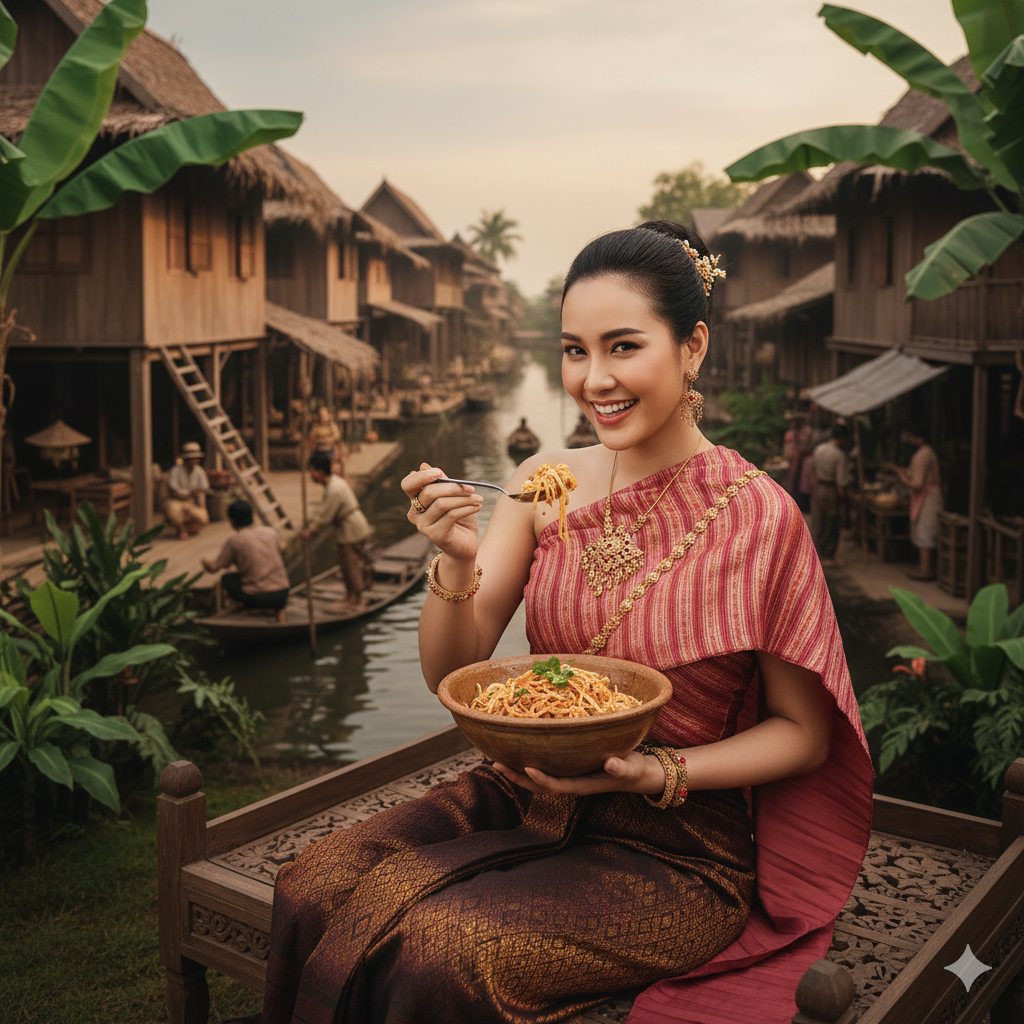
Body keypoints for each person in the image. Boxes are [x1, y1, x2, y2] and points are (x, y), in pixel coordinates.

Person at [260, 222, 871, 1024]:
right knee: (313, 884)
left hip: (676, 846)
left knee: (441, 948)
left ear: (692, 346)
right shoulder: (541, 484)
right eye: (574, 351)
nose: (594, 379)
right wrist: (455, 560)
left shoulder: (759, 515)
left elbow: (806, 735)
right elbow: (452, 673)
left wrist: (658, 773)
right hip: (523, 790)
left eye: (623, 347)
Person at [301, 450, 372, 611]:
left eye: (311, 471)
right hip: (349, 529)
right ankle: (350, 596)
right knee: (346, 565)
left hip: (351, 530)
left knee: (351, 565)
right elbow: (323, 510)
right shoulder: (332, 484)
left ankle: (357, 599)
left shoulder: (334, 488)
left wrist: (311, 530)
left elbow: (325, 515)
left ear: (319, 471)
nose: (310, 475)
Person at [201, 500, 290, 623]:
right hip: (283, 593)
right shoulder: (270, 532)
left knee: (228, 578)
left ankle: (245, 607)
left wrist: (205, 562)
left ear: (231, 522)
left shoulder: (234, 541)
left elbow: (214, 568)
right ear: (253, 517)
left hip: (258, 597)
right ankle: (279, 614)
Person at [885, 427, 942, 580]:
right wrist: (896, 469)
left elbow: (917, 484)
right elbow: (912, 472)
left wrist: (902, 477)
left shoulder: (925, 454)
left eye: (911, 436)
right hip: (924, 496)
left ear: (920, 438)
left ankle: (926, 569)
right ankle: (924, 566)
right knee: (922, 531)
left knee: (925, 532)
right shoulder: (922, 452)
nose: (909, 440)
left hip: (928, 497)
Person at [810, 424, 850, 567]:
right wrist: (843, 499)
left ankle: (816, 553)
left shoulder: (819, 449)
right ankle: (827, 556)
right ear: (843, 438)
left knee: (818, 522)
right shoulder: (839, 455)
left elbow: (813, 469)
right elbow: (841, 482)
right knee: (831, 524)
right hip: (831, 491)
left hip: (818, 489)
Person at [163, 441, 209, 540]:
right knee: (173, 511)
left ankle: (188, 529)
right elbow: (174, 489)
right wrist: (188, 493)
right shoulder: (175, 470)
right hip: (176, 500)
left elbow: (204, 487)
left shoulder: (199, 471)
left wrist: (200, 502)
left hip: (191, 501)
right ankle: (180, 530)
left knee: (202, 517)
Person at [307, 404, 345, 477]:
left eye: (324, 415)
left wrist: (328, 440)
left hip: (330, 448)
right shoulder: (316, 426)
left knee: (335, 459)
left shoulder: (332, 425)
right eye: (321, 415)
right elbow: (312, 437)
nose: (322, 418)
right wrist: (317, 442)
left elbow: (336, 436)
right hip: (319, 449)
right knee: (313, 462)